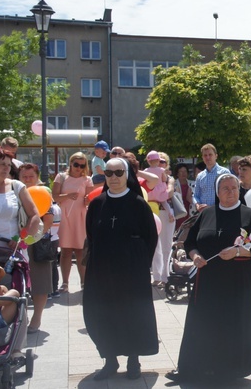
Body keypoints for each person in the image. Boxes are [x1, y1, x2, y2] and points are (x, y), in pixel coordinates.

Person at [166, 173, 251, 384]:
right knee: (201, 324)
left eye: (234, 188)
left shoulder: (249, 215)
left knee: (231, 324)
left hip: (236, 282)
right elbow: (191, 242)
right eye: (226, 189)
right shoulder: (207, 214)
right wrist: (195, 256)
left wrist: (237, 253)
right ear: (217, 193)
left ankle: (228, 370)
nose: (231, 192)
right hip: (208, 281)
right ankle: (192, 368)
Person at [83, 158, 159, 380]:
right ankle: (110, 360)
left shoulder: (138, 203)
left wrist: (141, 263)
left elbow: (150, 237)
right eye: (109, 173)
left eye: (118, 172)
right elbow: (91, 235)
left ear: (127, 175)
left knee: (132, 312)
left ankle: (133, 359)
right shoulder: (98, 204)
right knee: (105, 312)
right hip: (103, 269)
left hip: (131, 269)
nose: (113, 177)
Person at [18, 163, 55, 333]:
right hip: (16, 242)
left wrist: (33, 237)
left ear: (37, 176)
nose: (27, 180)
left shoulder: (43, 192)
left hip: (36, 242)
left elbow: (48, 219)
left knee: (40, 281)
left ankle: (36, 319)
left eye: (30, 176)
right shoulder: (14, 191)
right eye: (24, 176)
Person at [51, 152, 94, 292]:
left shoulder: (87, 179)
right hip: (65, 216)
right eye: (76, 164)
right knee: (65, 251)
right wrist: (67, 196)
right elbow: (55, 196)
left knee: (81, 250)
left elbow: (90, 198)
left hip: (81, 216)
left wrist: (88, 199)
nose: (78, 168)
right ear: (70, 163)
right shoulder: (61, 177)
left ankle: (84, 282)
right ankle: (65, 283)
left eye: (82, 165)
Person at [144, 150, 174, 287]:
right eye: (158, 160)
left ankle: (166, 276)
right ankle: (157, 276)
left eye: (163, 161)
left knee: (167, 245)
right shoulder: (150, 174)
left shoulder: (170, 178)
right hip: (153, 210)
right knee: (155, 245)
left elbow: (169, 192)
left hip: (166, 213)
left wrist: (158, 194)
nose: (159, 163)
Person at [192, 143, 231, 213]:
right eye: (205, 155)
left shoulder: (224, 172)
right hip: (204, 213)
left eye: (210, 155)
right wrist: (198, 205)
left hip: (220, 212)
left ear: (216, 156)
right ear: (202, 158)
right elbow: (196, 195)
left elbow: (229, 193)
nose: (207, 157)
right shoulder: (200, 176)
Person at [173, 164, 193, 230]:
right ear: (177, 173)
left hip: (190, 210)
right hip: (178, 211)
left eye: (185, 171)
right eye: (181, 171)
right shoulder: (173, 184)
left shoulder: (192, 184)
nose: (183, 173)